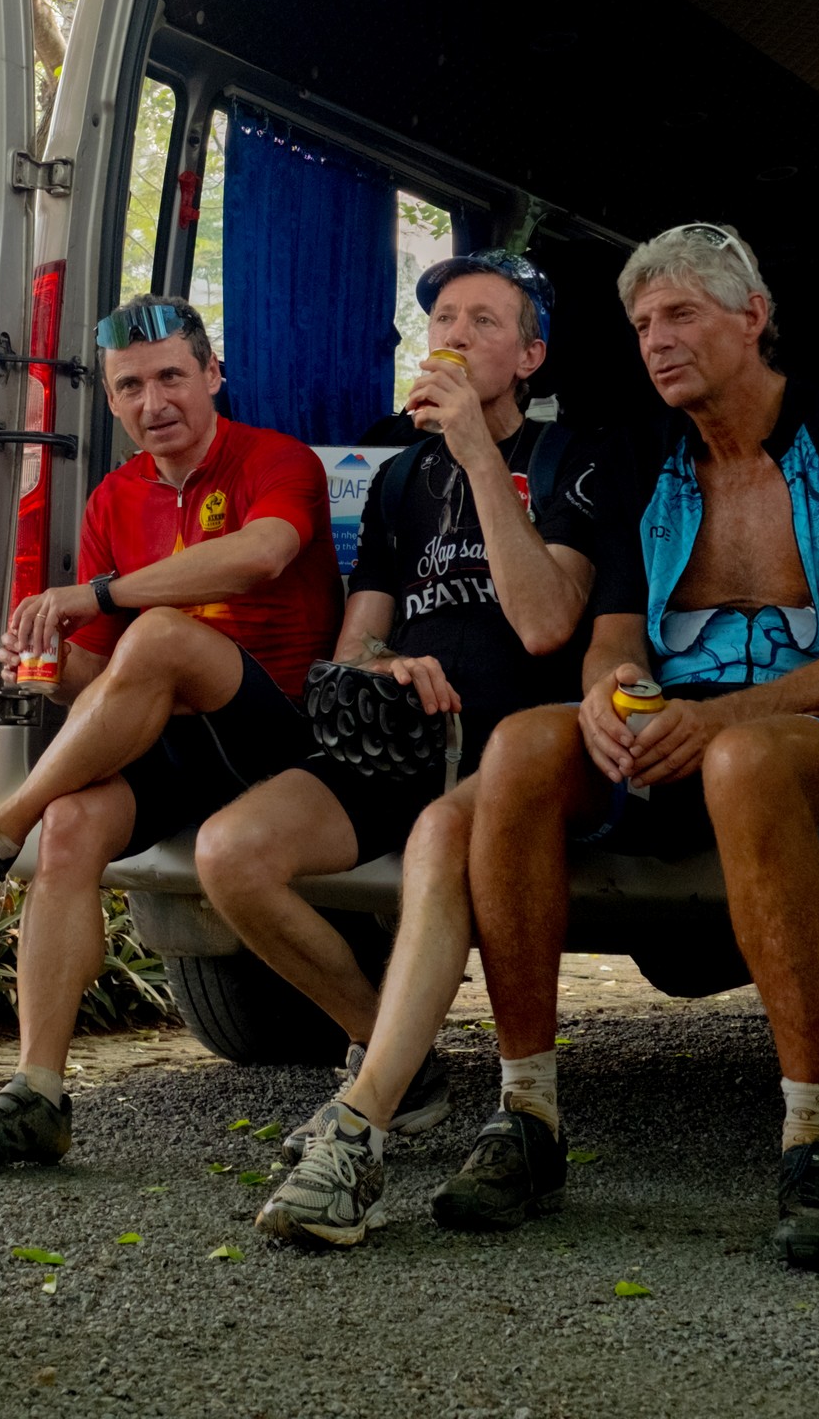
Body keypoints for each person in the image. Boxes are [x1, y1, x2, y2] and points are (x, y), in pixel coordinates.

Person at [440, 223, 819, 1271]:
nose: (655, 341)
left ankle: (818, 1141)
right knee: (520, 747)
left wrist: (721, 722)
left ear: (752, 318)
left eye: (680, 315)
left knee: (742, 760)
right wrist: (613, 693)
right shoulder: (637, 453)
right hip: (676, 726)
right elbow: (612, 638)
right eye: (642, 323)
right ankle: (523, 1118)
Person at [0, 295, 341, 1172]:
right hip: (174, 743)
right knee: (70, 829)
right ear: (114, 403)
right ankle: (37, 1094)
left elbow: (263, 556)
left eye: (172, 375)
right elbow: (106, 679)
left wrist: (96, 599)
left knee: (162, 636)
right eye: (130, 386)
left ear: (214, 376)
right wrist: (44, 658)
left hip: (278, 742)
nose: (152, 400)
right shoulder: (112, 497)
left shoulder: (276, 460)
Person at [249, 252, 608, 1247]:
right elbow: (354, 644)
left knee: (444, 834)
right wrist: (385, 663)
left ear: (530, 354)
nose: (453, 334)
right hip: (402, 744)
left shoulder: (573, 456)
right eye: (442, 317)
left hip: (512, 751)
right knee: (232, 854)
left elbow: (544, 624)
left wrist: (482, 459)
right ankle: (401, 1062)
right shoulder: (401, 476)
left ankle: (359, 1122)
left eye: (484, 321)